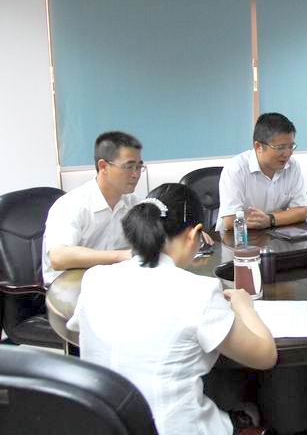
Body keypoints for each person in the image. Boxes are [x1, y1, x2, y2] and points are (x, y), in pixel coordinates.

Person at [67, 183, 276, 435]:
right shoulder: (198, 291)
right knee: (254, 406)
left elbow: (79, 329)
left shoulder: (95, 279)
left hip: (105, 425)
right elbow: (265, 356)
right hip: (169, 429)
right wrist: (245, 307)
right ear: (194, 234)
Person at [42, 131, 144, 286]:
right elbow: (58, 257)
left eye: (139, 166)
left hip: (111, 283)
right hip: (69, 286)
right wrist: (121, 256)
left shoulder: (133, 203)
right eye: (129, 166)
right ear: (103, 166)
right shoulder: (71, 204)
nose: (136, 174)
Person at [218, 112, 307, 230]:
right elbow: (230, 220)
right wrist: (283, 216)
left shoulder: (292, 166)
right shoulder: (236, 169)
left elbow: (302, 211)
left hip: (275, 235)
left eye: (291, 146)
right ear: (258, 147)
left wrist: (270, 219)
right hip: (237, 237)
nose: (287, 153)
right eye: (280, 147)